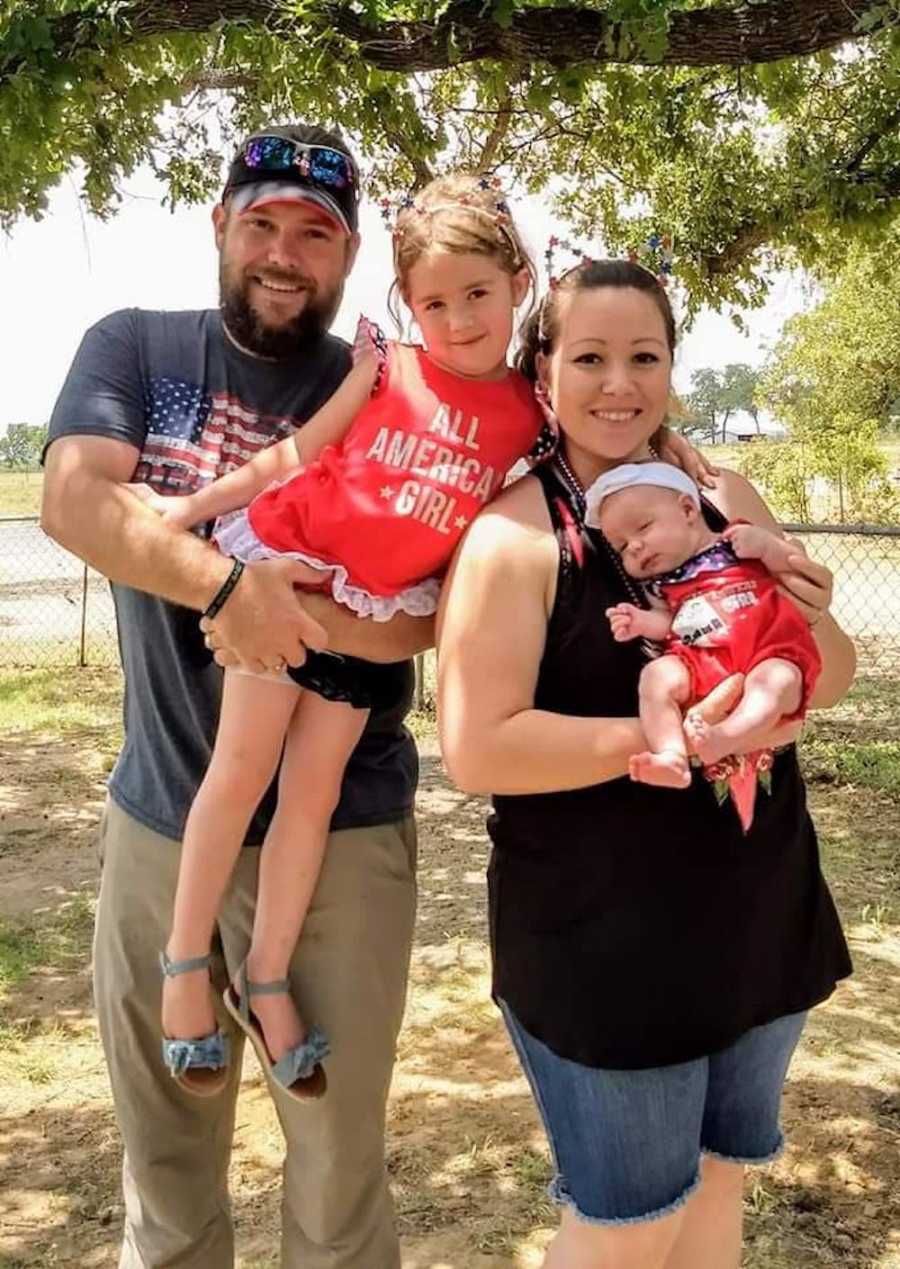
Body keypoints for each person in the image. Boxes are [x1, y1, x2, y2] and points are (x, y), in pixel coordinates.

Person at [40, 123, 429, 1269]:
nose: (283, 253)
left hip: (342, 838)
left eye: (314, 235)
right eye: (260, 223)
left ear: (347, 255)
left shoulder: (392, 393)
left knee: (336, 1175)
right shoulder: (136, 349)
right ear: (220, 226)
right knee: (164, 1169)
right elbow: (77, 503)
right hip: (162, 817)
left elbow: (439, 594)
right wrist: (229, 592)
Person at [437, 257, 855, 1269]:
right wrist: (675, 739)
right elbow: (476, 746)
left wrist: (784, 647)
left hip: (758, 908)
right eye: (589, 357)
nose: (618, 383)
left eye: (643, 356)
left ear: (672, 367)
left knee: (720, 1183)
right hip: (599, 943)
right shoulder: (513, 537)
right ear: (543, 371)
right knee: (629, 1225)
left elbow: (832, 666)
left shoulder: (722, 494)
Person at [128, 172, 549, 1100]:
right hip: (292, 570)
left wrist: (680, 452)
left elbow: (610, 439)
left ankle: (266, 977)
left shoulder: (531, 412)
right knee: (241, 773)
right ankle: (184, 964)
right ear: (407, 303)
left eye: (477, 293)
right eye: (434, 301)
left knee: (310, 796)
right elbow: (295, 452)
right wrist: (191, 508)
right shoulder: (387, 365)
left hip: (374, 615)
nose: (459, 320)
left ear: (517, 282)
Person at [589, 462, 822, 829]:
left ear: (687, 509)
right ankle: (670, 754)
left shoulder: (736, 541)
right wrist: (641, 623)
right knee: (655, 675)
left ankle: (724, 737)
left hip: (769, 650)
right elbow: (674, 625)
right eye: (621, 547)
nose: (634, 547)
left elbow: (787, 564)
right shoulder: (666, 584)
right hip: (703, 662)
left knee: (775, 680)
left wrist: (764, 545)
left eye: (644, 528)